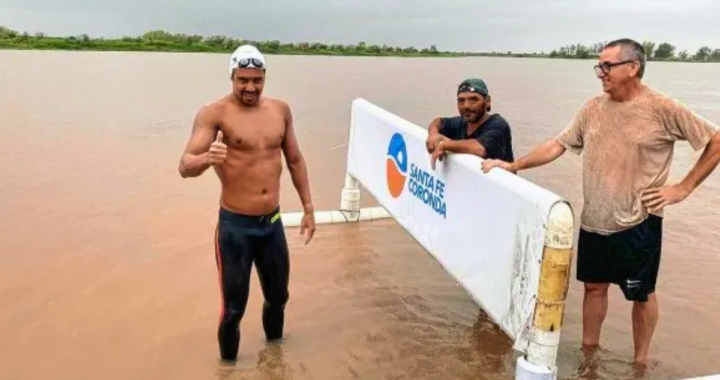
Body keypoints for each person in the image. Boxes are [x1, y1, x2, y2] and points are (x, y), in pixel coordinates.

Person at [481, 38, 720, 364]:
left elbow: (716, 139)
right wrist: (513, 165)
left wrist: (684, 187)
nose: (600, 73)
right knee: (594, 288)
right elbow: (558, 145)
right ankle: (588, 357)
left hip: (639, 221)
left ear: (633, 67)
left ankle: (640, 364)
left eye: (607, 66)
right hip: (594, 219)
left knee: (641, 294)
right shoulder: (592, 108)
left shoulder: (663, 108)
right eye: (599, 66)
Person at [177, 44, 316, 362]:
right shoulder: (214, 113)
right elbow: (185, 166)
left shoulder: (280, 110)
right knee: (233, 310)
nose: (250, 87)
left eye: (257, 79)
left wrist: (308, 209)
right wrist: (206, 158)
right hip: (235, 229)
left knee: (279, 298)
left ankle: (275, 359)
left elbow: (295, 160)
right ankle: (227, 368)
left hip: (272, 225)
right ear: (232, 77)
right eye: (243, 80)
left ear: (264, 77)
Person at [426, 78, 514, 169]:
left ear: (487, 101)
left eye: (473, 100)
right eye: (461, 100)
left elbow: (479, 149)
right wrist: (433, 134)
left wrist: (444, 145)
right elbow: (438, 122)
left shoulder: (498, 125)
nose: (466, 106)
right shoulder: (460, 123)